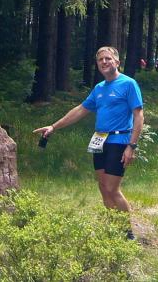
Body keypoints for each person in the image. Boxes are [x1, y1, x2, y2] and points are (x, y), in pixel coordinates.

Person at [33, 46, 144, 240]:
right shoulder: (99, 88)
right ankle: (114, 229)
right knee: (103, 187)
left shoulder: (128, 84)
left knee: (112, 189)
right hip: (100, 141)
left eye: (108, 59)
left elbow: (139, 115)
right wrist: (53, 126)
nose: (104, 62)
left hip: (119, 141)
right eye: (100, 60)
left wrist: (131, 146)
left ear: (117, 62)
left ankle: (127, 233)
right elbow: (80, 110)